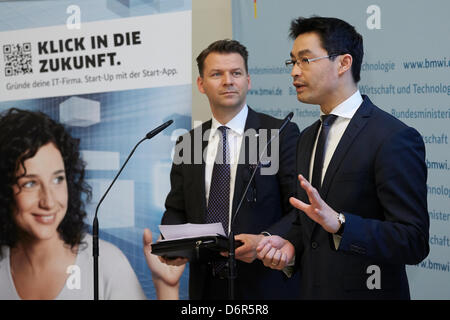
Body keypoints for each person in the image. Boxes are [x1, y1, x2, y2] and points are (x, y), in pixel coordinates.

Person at [256, 16, 429, 299]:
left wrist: (341, 223)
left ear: (343, 63)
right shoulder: (307, 137)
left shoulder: (392, 137)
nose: (294, 73)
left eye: (305, 60)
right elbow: (308, 223)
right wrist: (290, 248)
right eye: (292, 62)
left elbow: (413, 241)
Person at [159, 39, 301, 299]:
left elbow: (297, 207)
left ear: (248, 80)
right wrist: (172, 245)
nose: (228, 81)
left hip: (264, 284)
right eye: (217, 74)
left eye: (236, 73)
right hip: (206, 287)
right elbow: (176, 208)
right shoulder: (188, 142)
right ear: (201, 84)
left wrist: (266, 240)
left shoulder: (277, 134)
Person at [0, 108, 148, 300]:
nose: (49, 201)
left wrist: (167, 288)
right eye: (30, 183)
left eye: (57, 179)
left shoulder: (107, 264)